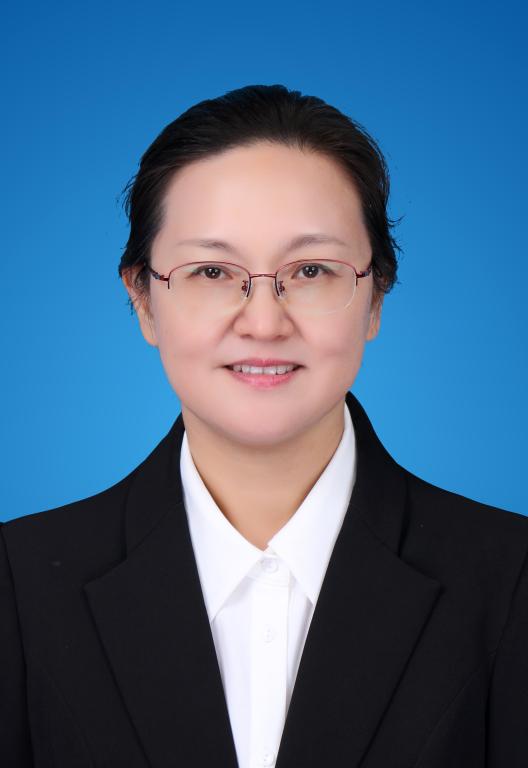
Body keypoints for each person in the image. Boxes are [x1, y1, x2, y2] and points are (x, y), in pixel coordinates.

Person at [1, 84, 527, 768]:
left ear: (375, 297)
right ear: (143, 300)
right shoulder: (19, 586)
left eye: (310, 270)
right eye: (211, 271)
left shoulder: (509, 580)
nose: (263, 321)